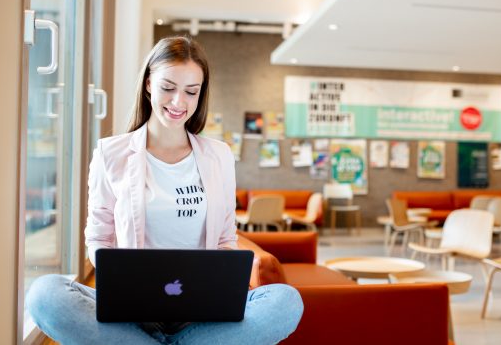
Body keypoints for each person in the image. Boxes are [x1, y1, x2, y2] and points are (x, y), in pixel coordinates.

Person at [26, 36, 304, 344]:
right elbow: (99, 237)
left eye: (191, 92)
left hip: (199, 312)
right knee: (44, 294)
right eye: (168, 87)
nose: (178, 102)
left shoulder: (219, 156)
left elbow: (226, 238)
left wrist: (219, 285)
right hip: (133, 313)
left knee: (285, 302)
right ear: (148, 84)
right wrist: (121, 284)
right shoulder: (111, 153)